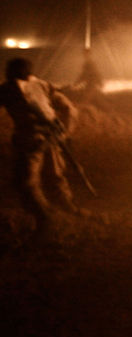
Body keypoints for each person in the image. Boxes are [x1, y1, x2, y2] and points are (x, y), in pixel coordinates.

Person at [0, 57, 83, 230]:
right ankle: (68, 208)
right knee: (55, 176)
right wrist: (65, 132)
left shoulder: (8, 89)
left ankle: (45, 216)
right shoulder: (43, 85)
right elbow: (69, 109)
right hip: (52, 137)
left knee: (26, 181)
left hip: (30, 140)